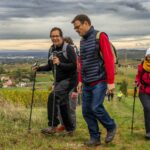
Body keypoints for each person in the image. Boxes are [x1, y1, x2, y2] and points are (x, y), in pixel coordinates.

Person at [71, 14, 117, 146]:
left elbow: (108, 59)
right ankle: (95, 138)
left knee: (96, 107)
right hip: (86, 82)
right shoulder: (82, 41)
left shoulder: (100, 36)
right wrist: (80, 80)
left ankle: (111, 126)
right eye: (75, 29)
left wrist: (111, 81)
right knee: (86, 111)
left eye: (78, 27)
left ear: (86, 23)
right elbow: (81, 63)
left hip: (100, 80)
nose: (77, 30)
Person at [33, 27, 77, 136]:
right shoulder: (51, 49)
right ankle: (70, 128)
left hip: (69, 80)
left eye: (57, 36)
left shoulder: (68, 49)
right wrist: (39, 68)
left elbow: (74, 66)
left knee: (53, 97)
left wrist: (60, 63)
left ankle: (52, 125)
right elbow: (49, 66)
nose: (55, 38)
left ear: (61, 36)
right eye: (52, 36)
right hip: (59, 81)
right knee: (63, 104)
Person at [57, 36, 79, 131]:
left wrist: (75, 90)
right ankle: (63, 124)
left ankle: (72, 128)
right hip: (64, 85)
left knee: (71, 108)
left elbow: (78, 73)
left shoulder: (75, 57)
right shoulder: (64, 57)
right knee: (60, 106)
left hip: (73, 86)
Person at [135, 48, 150, 139]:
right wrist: (136, 82)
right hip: (143, 91)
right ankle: (148, 132)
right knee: (148, 108)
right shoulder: (142, 66)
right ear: (146, 56)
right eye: (149, 56)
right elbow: (138, 76)